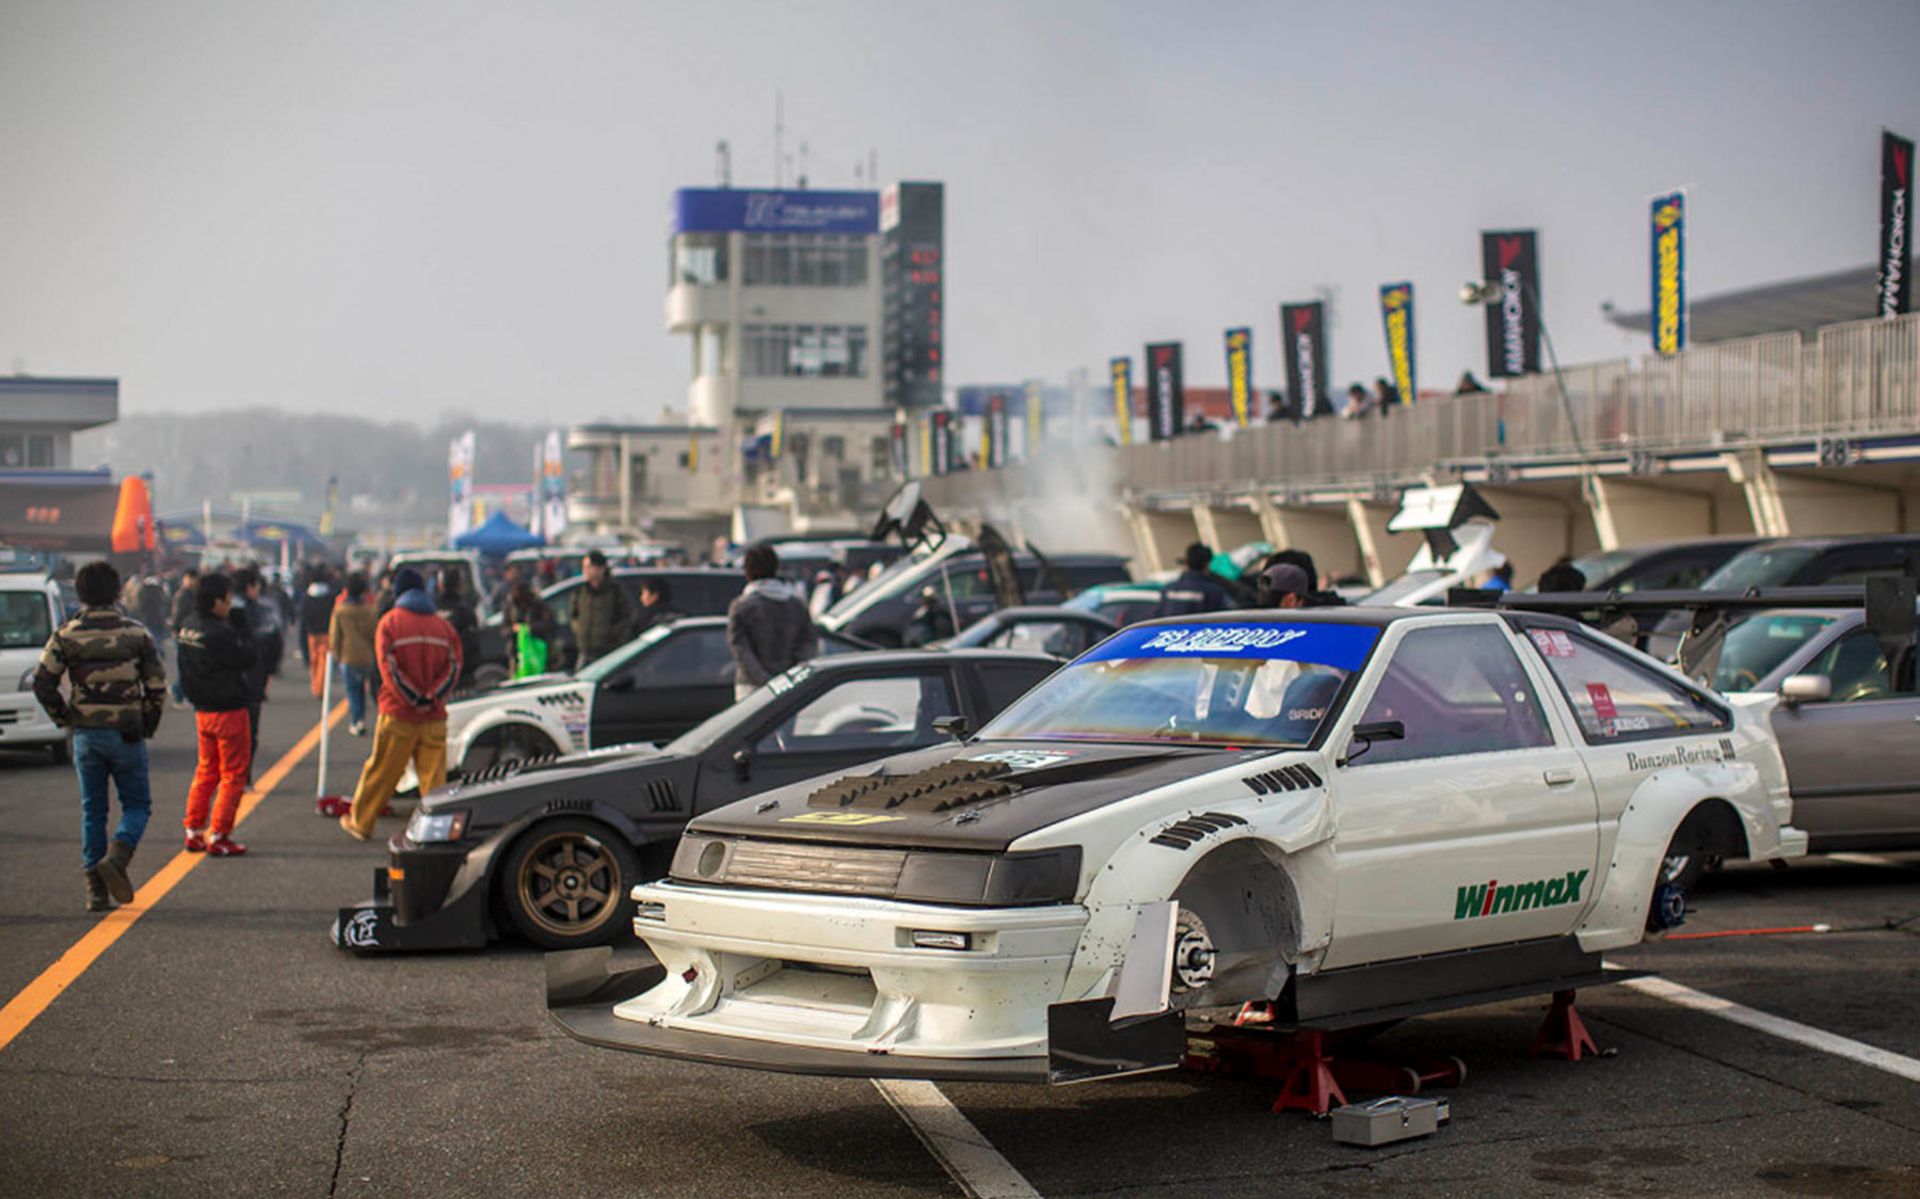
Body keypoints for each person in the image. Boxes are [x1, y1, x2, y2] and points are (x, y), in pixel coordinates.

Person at [33, 560, 167, 910]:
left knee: (93, 812)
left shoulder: (66, 634)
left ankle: (95, 890)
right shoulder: (136, 634)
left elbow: (42, 682)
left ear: (80, 594)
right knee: (137, 805)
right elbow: (156, 686)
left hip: (87, 735)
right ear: (117, 592)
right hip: (126, 734)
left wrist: (65, 718)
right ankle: (119, 857)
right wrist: (147, 724)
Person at [340, 568, 462, 842]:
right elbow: (454, 667)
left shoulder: (390, 623)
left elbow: (388, 670)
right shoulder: (444, 627)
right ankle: (437, 832)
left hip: (399, 714)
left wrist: (413, 699)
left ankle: (360, 823)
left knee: (382, 771)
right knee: (434, 780)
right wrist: (430, 697)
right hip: (434, 717)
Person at [175, 572, 257, 858]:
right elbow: (248, 657)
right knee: (233, 774)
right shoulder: (221, 633)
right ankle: (220, 834)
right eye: (228, 599)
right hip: (229, 710)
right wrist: (242, 629)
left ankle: (194, 830)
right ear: (217, 601)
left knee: (206, 770)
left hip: (202, 711)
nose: (230, 605)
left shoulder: (187, 626)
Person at [726, 543, 818, 700]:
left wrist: (765, 680)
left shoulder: (741, 607)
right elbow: (808, 646)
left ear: (747, 571)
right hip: (789, 685)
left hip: (750, 688)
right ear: (775, 568)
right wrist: (790, 677)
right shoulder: (796, 605)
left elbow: (741, 650)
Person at [329, 571, 378, 736]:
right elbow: (374, 634)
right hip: (367, 657)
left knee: (353, 690)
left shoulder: (340, 611)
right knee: (364, 690)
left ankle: (357, 720)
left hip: (348, 657)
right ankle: (363, 717)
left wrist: (336, 655)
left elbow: (335, 636)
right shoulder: (371, 611)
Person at [569, 549, 634, 666]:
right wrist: (579, 629)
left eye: (588, 567)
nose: (585, 571)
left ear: (600, 569)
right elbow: (574, 615)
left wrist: (610, 634)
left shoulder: (615, 591)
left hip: (607, 652)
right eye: (584, 567)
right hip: (585, 650)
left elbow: (626, 618)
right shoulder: (581, 591)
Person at [1158, 542, 1232, 616]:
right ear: (1207, 564)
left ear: (1186, 563)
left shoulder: (1168, 589)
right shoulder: (1213, 591)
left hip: (1171, 627)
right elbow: (1227, 616)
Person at [434, 566, 479, 686]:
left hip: (437, 678)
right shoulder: (466, 611)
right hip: (463, 677)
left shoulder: (430, 611)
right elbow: (473, 644)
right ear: (460, 586)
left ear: (440, 585)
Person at [300, 570, 336, 697]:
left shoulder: (307, 596)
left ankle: (315, 685)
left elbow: (303, 619)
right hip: (326, 633)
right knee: (324, 661)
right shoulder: (330, 596)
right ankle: (320, 687)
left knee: (313, 660)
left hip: (312, 634)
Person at [167, 567, 199, 708]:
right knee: (185, 667)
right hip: (182, 633)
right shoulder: (184, 595)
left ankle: (178, 691)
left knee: (187, 666)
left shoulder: (188, 594)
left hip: (185, 633)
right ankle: (178, 695)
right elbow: (179, 617)